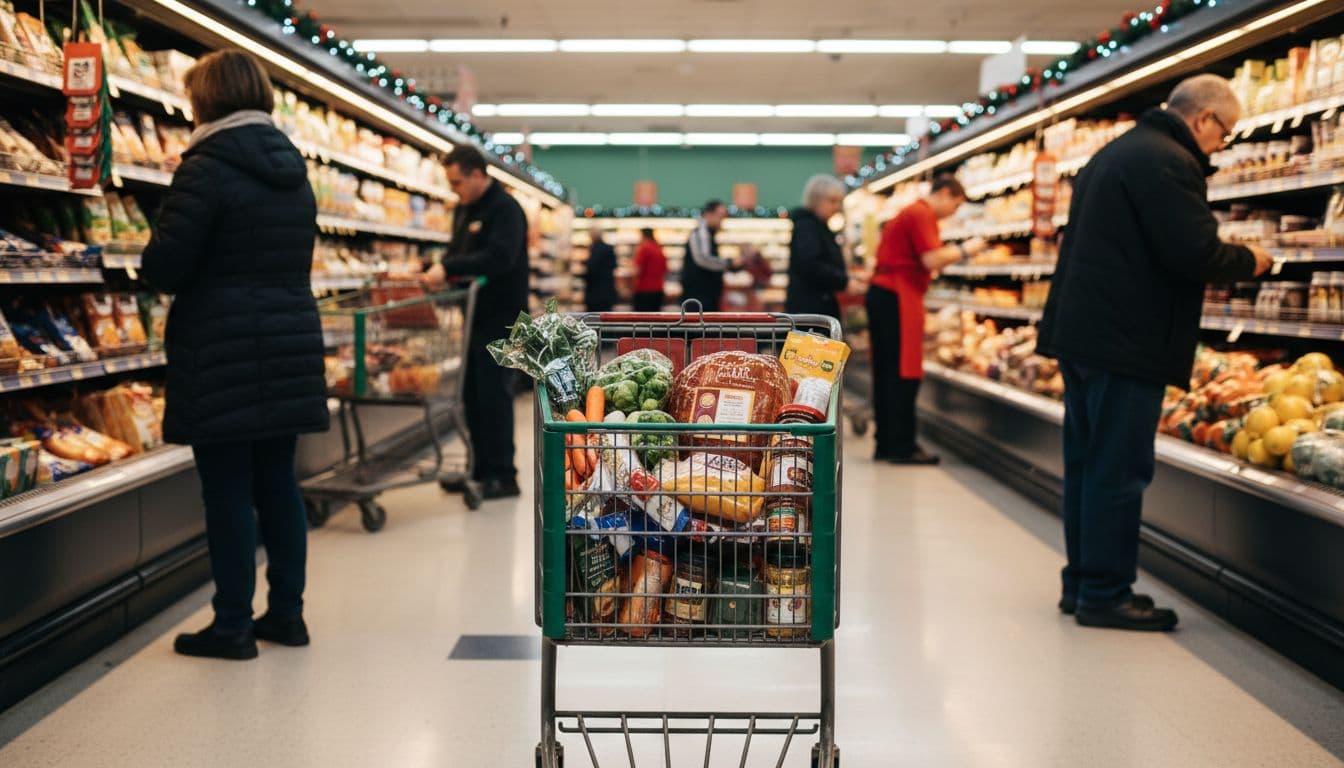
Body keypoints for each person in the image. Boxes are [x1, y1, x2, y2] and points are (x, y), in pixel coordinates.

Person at [1037, 74, 1274, 632]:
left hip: (1086, 336)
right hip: (1124, 341)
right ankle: (1106, 593)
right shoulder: (1167, 161)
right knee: (1119, 471)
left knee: (1089, 465)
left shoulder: (1118, 152)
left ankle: (1082, 583)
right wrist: (1250, 260)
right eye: (1226, 132)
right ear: (1203, 119)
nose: (1223, 144)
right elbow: (1194, 250)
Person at [141, 50, 327, 661]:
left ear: (208, 98)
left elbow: (166, 267)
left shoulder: (207, 166)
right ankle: (287, 615)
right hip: (288, 342)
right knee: (278, 483)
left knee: (226, 490)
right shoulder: (292, 167)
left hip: (220, 347)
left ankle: (231, 626)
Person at [422, 145, 529, 500]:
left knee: (495, 396)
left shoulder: (506, 209)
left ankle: (503, 474)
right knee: (472, 395)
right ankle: (479, 468)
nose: (454, 189)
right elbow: (458, 253)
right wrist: (434, 268)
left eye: (458, 182)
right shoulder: (466, 209)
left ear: (478, 175)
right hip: (473, 317)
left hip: (502, 318)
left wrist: (449, 269)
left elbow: (499, 258)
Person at [867, 175, 986, 465]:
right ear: (945, 193)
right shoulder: (921, 213)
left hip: (885, 294)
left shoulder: (909, 213)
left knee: (886, 373)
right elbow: (931, 260)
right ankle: (902, 446)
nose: (955, 212)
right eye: (956, 205)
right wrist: (966, 249)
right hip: (898, 295)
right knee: (903, 373)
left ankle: (886, 442)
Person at [786, 174, 858, 318]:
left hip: (816, 306)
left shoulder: (819, 226)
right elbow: (811, 265)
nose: (837, 207)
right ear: (816, 200)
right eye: (832, 201)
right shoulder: (808, 227)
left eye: (839, 202)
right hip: (811, 311)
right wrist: (843, 281)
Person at [680, 199, 731, 311]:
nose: (722, 220)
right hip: (699, 297)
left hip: (705, 296)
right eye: (720, 216)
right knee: (697, 327)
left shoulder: (708, 233)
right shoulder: (701, 233)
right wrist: (729, 263)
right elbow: (704, 259)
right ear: (708, 214)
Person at [632, 227, 667, 312]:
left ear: (643, 236)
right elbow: (665, 269)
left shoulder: (644, 248)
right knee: (655, 320)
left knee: (642, 321)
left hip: (644, 289)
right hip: (658, 289)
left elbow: (637, 270)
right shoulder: (659, 248)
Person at [583, 228, 618, 312]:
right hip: (607, 290)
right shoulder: (609, 248)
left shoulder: (595, 249)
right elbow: (614, 266)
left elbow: (591, 270)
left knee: (593, 319)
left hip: (595, 293)